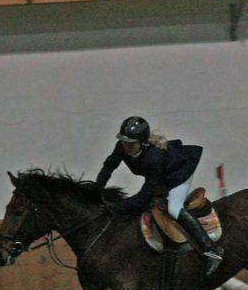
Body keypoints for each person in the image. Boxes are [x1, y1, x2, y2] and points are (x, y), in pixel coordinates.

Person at [95, 116, 224, 274]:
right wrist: (96, 191)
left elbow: (144, 196)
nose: (126, 146)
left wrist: (114, 207)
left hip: (178, 172)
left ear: (142, 142)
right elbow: (108, 167)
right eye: (124, 142)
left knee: (173, 208)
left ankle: (212, 251)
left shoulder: (153, 157)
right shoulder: (122, 146)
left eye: (131, 144)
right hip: (161, 174)